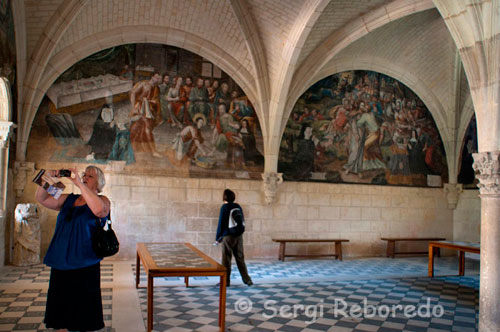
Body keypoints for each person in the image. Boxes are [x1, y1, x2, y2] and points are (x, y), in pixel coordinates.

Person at [35, 166, 110, 332]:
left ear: (99, 184)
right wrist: (48, 177)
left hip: (85, 262)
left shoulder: (103, 200)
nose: (84, 177)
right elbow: (42, 198)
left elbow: (98, 210)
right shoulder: (68, 198)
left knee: (82, 310)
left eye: (90, 176)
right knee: (61, 309)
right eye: (84, 174)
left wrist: (78, 184)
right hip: (61, 259)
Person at [215, 189, 253, 287]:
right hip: (239, 236)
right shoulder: (238, 206)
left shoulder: (224, 207)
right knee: (240, 258)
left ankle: (226, 281)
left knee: (226, 259)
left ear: (224, 197)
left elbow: (221, 223)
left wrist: (218, 237)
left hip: (228, 237)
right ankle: (247, 280)